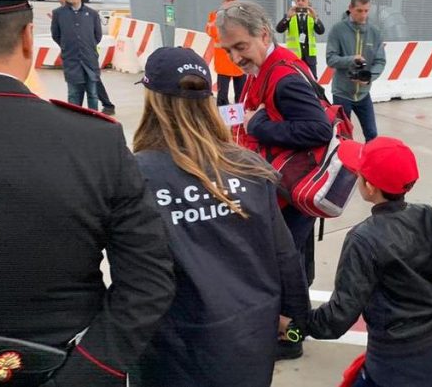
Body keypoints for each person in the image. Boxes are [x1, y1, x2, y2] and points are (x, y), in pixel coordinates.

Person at [0, 0, 175, 386]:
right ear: (29, 39)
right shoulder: (95, 141)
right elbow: (148, 280)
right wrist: (91, 371)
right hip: (61, 365)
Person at [132, 47, 310, 387]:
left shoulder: (135, 175)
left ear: (152, 99)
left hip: (176, 344)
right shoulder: (251, 168)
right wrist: (296, 326)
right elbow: (286, 257)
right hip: (249, 338)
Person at [216, 0, 332, 360]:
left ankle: (291, 336)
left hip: (289, 192)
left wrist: (258, 126)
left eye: (241, 46)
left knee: (284, 267)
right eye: (228, 49)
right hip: (286, 190)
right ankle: (294, 325)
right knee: (294, 261)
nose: (235, 57)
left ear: (263, 35)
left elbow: (319, 128)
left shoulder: (281, 77)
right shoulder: (262, 69)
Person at [306, 136, 432, 387]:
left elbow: (338, 317)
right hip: (430, 352)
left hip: (390, 362)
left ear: (369, 187)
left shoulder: (362, 238)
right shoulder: (425, 216)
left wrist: (296, 326)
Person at [326, 0, 386, 142]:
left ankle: (370, 164)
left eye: (366, 11)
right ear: (350, 8)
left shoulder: (375, 32)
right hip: (342, 93)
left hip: (364, 94)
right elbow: (330, 59)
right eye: (359, 10)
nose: (363, 15)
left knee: (372, 135)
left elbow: (380, 61)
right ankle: (344, 165)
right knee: (343, 136)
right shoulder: (337, 30)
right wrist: (351, 60)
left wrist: (369, 77)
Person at [56, 0, 115, 115]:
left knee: (94, 84)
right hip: (75, 58)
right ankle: (105, 105)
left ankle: (107, 105)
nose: (60, 0)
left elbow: (96, 35)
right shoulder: (61, 14)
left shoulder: (89, 14)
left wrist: (87, 46)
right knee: (85, 85)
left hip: (88, 56)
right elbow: (57, 35)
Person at [51, 0, 103, 110]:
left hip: (90, 59)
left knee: (93, 94)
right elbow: (56, 35)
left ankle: (94, 119)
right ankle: (74, 120)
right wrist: (68, 46)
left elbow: (98, 36)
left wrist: (86, 46)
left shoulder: (92, 14)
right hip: (71, 59)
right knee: (74, 94)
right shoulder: (58, 14)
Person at [206, 0, 246, 105]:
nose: (230, 3)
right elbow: (210, 31)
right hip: (223, 62)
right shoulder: (215, 15)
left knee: (241, 96)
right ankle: (222, 120)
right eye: (227, 0)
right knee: (222, 96)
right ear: (223, 2)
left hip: (240, 62)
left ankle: (239, 121)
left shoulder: (243, 17)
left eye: (233, 0)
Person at [276, 0, 325, 79]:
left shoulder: (311, 16)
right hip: (294, 58)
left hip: (310, 58)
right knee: (295, 81)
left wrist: (316, 18)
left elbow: (321, 31)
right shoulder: (290, 16)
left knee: (312, 81)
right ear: (295, 2)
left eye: (303, 0)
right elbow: (279, 29)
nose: (300, 3)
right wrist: (287, 17)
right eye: (298, 0)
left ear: (308, 2)